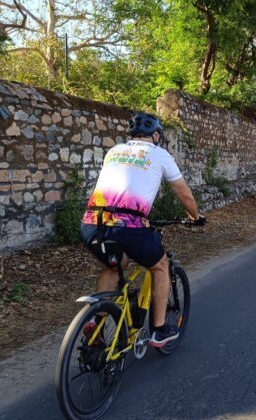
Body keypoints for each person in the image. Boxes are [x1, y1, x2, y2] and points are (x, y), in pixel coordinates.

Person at [80, 112, 205, 348]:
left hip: (92, 223)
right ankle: (158, 331)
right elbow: (184, 192)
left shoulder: (114, 151)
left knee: (115, 265)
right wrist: (195, 217)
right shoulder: (159, 154)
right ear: (156, 135)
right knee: (160, 266)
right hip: (129, 226)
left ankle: (95, 325)